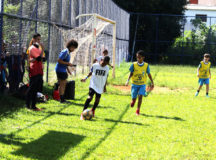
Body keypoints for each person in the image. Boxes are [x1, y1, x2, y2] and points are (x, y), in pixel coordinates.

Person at [125, 50, 154, 115]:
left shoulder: (146, 65)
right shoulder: (134, 65)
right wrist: (127, 80)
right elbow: (131, 73)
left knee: (140, 96)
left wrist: (152, 82)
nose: (138, 58)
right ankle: (133, 100)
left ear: (143, 57)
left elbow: (149, 74)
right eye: (137, 57)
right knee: (134, 97)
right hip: (134, 84)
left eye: (139, 57)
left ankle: (138, 110)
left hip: (142, 84)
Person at [25, 33, 44, 111]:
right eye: (37, 39)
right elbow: (39, 58)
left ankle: (33, 106)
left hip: (39, 69)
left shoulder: (38, 48)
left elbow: (43, 58)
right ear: (34, 39)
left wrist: (42, 50)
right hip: (34, 70)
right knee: (32, 88)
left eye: (40, 39)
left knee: (36, 89)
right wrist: (42, 50)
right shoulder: (32, 48)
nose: (39, 41)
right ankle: (27, 105)